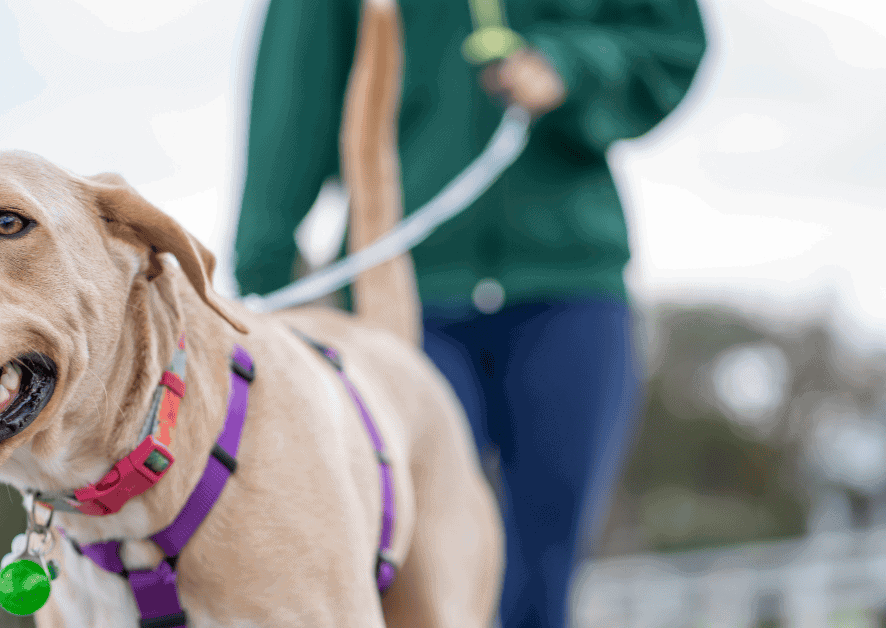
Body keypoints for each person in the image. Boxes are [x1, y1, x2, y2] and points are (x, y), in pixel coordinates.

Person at [233, 0, 706, 625]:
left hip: (569, 283)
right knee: (409, 559)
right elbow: (292, 100)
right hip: (400, 297)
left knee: (545, 564)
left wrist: (571, 63)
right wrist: (263, 286)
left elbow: (671, 42)